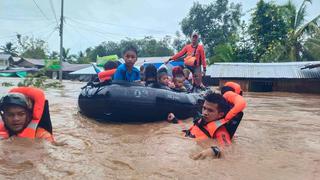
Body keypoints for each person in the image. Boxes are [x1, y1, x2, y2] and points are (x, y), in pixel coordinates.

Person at [168, 90, 245, 159]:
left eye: (210, 110)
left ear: (220, 115)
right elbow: (189, 130)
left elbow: (228, 149)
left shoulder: (221, 132)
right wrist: (175, 120)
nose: (205, 113)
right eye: (204, 108)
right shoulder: (201, 120)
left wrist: (214, 151)